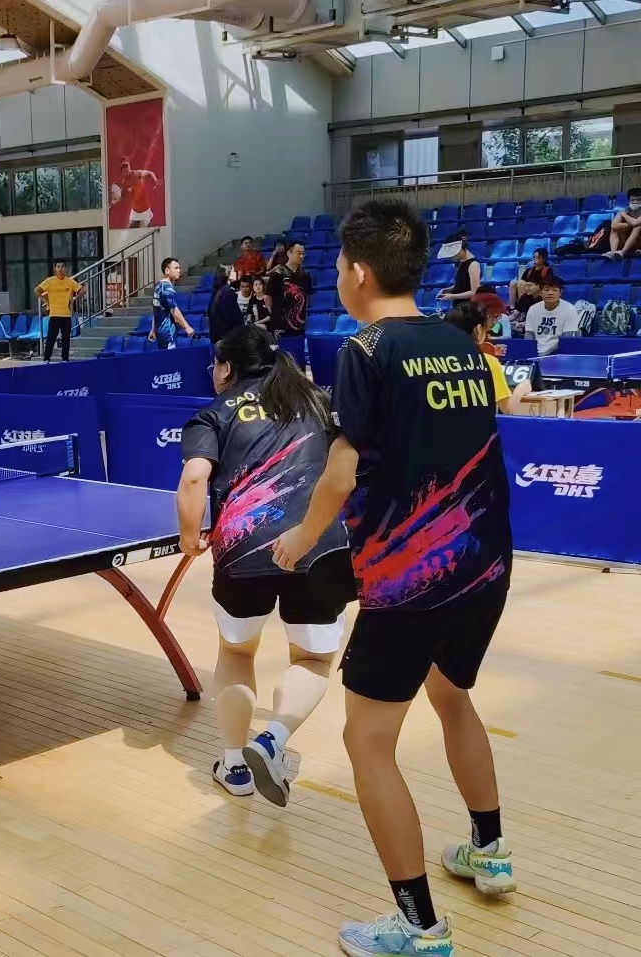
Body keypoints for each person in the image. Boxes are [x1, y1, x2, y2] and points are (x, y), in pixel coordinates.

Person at [271, 199, 515, 957]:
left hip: (410, 580)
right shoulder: (460, 341)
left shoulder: (366, 349)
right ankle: (489, 852)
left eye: (340, 268)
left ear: (358, 271)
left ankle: (420, 927)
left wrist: (300, 538)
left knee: (368, 740)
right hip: (486, 564)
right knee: (452, 695)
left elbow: (341, 471)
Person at [176, 325, 352, 805]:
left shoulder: (214, 413)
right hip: (319, 547)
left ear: (227, 367)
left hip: (242, 549)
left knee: (236, 653)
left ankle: (234, 765)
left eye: (215, 363)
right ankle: (272, 739)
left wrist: (189, 537)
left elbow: (194, 478)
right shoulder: (317, 402)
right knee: (312, 659)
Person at [447, 301, 531, 415]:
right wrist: (522, 388)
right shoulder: (488, 362)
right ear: (478, 329)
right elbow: (507, 408)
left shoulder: (435, 360)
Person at [35, 262, 82, 362]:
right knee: (51, 338)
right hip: (54, 314)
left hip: (66, 315)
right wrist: (46, 302)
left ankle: (65, 358)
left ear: (65, 268)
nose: (60, 269)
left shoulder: (69, 281)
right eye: (58, 267)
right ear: (55, 268)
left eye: (62, 267)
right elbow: (37, 290)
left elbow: (83, 289)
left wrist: (74, 299)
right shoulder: (50, 281)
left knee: (66, 339)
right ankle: (46, 358)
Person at [525, 276, 580, 356]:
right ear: (540, 292)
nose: (550, 293)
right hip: (535, 352)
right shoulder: (533, 309)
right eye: (546, 290)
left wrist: (545, 354)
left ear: (560, 293)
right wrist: (531, 352)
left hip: (558, 353)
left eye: (555, 290)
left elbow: (566, 339)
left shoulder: (570, 309)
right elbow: (529, 334)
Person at [150, 258, 194, 349]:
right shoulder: (168, 288)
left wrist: (153, 329)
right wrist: (187, 327)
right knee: (170, 357)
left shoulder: (158, 286)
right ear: (167, 271)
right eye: (176, 268)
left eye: (179, 268)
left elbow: (156, 310)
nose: (179, 271)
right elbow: (174, 310)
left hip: (159, 332)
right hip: (168, 333)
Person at [116, 159, 159, 228]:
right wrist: (114, 202)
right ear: (122, 171)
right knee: (129, 229)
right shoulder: (124, 182)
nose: (125, 169)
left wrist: (155, 180)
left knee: (142, 230)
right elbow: (122, 196)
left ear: (129, 167)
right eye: (123, 168)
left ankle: (149, 216)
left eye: (126, 166)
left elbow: (150, 173)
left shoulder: (137, 173)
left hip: (145, 211)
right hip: (135, 212)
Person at [508, 247, 551, 316]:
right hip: (527, 292)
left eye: (537, 257)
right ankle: (512, 307)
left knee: (523, 284)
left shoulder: (547, 270)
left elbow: (547, 284)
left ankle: (523, 310)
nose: (534, 259)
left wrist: (534, 286)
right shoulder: (529, 270)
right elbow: (522, 282)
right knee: (514, 282)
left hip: (538, 293)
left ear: (543, 259)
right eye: (534, 257)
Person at [438, 236, 481, 302]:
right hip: (458, 304)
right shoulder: (461, 262)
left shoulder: (473, 264)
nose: (451, 257)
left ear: (461, 248)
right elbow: (463, 285)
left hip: (468, 305)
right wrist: (447, 289)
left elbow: (474, 291)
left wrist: (452, 296)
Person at [605, 187, 641, 259]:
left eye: (638, 200)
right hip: (630, 240)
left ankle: (622, 252)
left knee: (638, 227)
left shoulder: (623, 213)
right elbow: (614, 225)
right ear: (629, 201)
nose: (635, 202)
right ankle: (613, 252)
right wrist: (629, 224)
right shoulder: (624, 210)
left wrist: (624, 215)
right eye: (633, 200)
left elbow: (635, 223)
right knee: (614, 229)